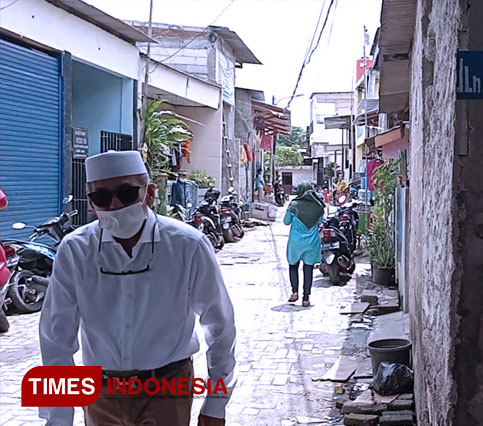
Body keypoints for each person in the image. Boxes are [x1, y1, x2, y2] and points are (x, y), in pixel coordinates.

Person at [39, 151, 236, 426]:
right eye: (102, 197)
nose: (116, 205)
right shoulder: (75, 250)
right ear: (91, 202)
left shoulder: (187, 245)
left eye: (127, 193)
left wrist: (216, 402)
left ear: (150, 193)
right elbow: (56, 338)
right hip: (100, 392)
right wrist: (59, 416)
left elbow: (220, 324)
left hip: (167, 389)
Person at [284, 181, 324, 307]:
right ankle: (306, 298)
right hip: (312, 243)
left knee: (293, 266)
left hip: (296, 242)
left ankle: (294, 291)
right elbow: (321, 221)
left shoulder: (294, 205)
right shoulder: (318, 206)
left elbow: (286, 221)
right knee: (308, 270)